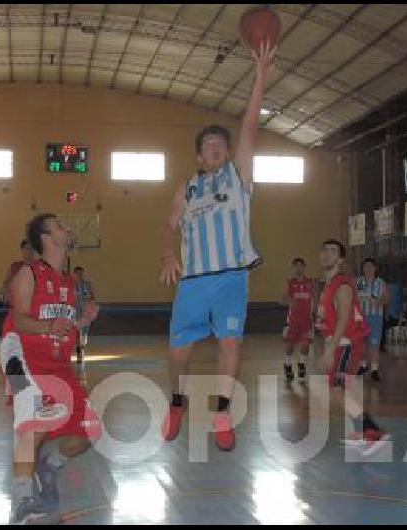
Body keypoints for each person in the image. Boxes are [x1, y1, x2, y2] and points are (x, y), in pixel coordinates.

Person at [159, 40, 275, 452]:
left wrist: (260, 77)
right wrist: (168, 251)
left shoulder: (239, 177)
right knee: (178, 355)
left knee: (231, 343)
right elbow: (168, 224)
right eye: (209, 145)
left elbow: (249, 126)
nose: (217, 148)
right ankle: (178, 401)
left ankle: (223, 412)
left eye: (221, 145)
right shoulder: (187, 188)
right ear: (198, 154)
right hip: (192, 281)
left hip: (230, 278)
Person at [0, 213, 102, 524]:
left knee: (90, 432)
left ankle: (49, 466)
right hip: (20, 355)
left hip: (57, 364)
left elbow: (62, 326)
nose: (66, 227)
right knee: (34, 423)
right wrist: (49, 324)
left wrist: (81, 321)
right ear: (45, 237)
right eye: (58, 225)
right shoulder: (28, 273)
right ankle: (22, 499)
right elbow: (19, 321)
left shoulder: (69, 283)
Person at [316, 240, 389, 456]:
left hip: (345, 343)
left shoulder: (343, 284)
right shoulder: (328, 285)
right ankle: (364, 430)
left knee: (337, 391)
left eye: (332, 251)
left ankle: (372, 431)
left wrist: (330, 348)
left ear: (340, 260)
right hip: (339, 342)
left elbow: (345, 316)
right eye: (324, 249)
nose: (326, 254)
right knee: (341, 390)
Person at [280, 258, 317, 383]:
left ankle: (302, 365)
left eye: (300, 266)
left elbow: (315, 300)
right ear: (293, 268)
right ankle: (287, 365)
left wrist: (318, 315)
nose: (298, 268)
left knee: (305, 345)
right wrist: (289, 301)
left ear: (304, 268)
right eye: (296, 266)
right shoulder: (289, 282)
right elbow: (282, 299)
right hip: (293, 320)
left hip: (307, 320)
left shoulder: (310, 282)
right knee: (290, 345)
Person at [356, 258, 387, 382]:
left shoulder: (381, 283)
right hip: (361, 317)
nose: (367, 269)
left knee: (374, 344)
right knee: (361, 343)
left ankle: (374, 369)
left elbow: (387, 300)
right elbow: (354, 297)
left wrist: (378, 301)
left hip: (375, 317)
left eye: (370, 266)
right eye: (365, 266)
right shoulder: (359, 282)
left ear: (375, 268)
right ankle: (363, 365)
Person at [72, 266, 96, 370]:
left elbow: (93, 297)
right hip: (76, 313)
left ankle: (82, 349)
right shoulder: (71, 285)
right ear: (74, 274)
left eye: (81, 273)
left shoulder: (87, 285)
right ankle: (79, 354)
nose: (79, 275)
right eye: (77, 273)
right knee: (77, 333)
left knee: (84, 334)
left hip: (85, 313)